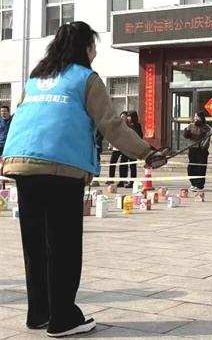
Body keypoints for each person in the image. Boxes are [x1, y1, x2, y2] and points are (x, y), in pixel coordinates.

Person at [0, 21, 166, 338]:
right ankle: (63, 318)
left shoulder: (37, 78)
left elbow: (23, 116)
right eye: (93, 47)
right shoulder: (86, 78)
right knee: (63, 244)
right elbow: (111, 125)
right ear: (85, 48)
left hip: (21, 163)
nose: (94, 53)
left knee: (35, 244)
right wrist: (146, 152)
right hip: (61, 165)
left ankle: (39, 313)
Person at [184, 111, 211, 192]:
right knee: (191, 167)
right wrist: (186, 131)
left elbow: (207, 139)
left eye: (197, 117)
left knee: (200, 168)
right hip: (192, 149)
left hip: (201, 150)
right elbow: (186, 136)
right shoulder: (191, 126)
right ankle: (193, 183)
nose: (195, 118)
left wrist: (202, 146)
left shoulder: (206, 127)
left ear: (201, 118)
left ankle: (199, 185)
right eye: (195, 116)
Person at [106, 111, 129, 187]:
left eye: (124, 117)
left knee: (123, 164)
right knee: (112, 162)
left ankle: (123, 180)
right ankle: (111, 178)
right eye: (121, 116)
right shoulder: (116, 125)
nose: (123, 118)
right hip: (116, 147)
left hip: (124, 148)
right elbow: (112, 136)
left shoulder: (128, 127)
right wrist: (110, 145)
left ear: (127, 118)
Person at [123, 111, 143, 188]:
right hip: (125, 147)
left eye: (130, 116)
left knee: (132, 165)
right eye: (128, 116)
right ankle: (123, 180)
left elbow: (140, 136)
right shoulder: (126, 125)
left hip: (133, 148)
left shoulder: (137, 126)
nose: (128, 118)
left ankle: (132, 181)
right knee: (124, 164)